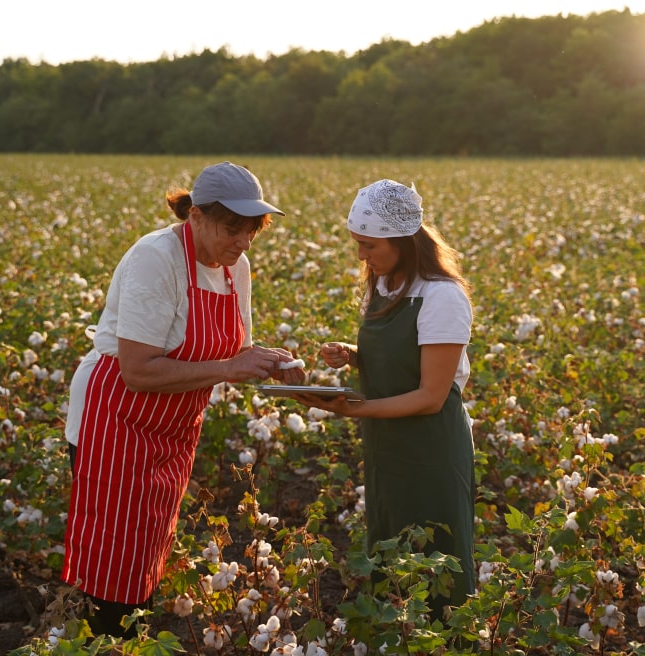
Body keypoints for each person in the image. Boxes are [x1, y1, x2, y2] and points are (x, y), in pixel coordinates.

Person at [61, 161, 305, 638]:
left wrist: (271, 362)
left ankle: (126, 640)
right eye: (231, 228)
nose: (243, 241)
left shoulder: (237, 268)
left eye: (252, 229)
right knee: (111, 561)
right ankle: (106, 642)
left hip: (173, 426)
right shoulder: (158, 258)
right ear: (194, 216)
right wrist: (229, 368)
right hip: (115, 420)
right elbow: (137, 369)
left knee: (147, 553)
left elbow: (232, 351)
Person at [297, 178, 475, 619]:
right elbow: (403, 360)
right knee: (390, 551)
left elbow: (431, 395)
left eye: (369, 245)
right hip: (386, 445)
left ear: (404, 241)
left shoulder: (441, 296)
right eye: (357, 243)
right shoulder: (384, 287)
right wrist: (354, 356)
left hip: (430, 448)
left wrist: (351, 408)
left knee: (435, 562)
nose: (361, 255)